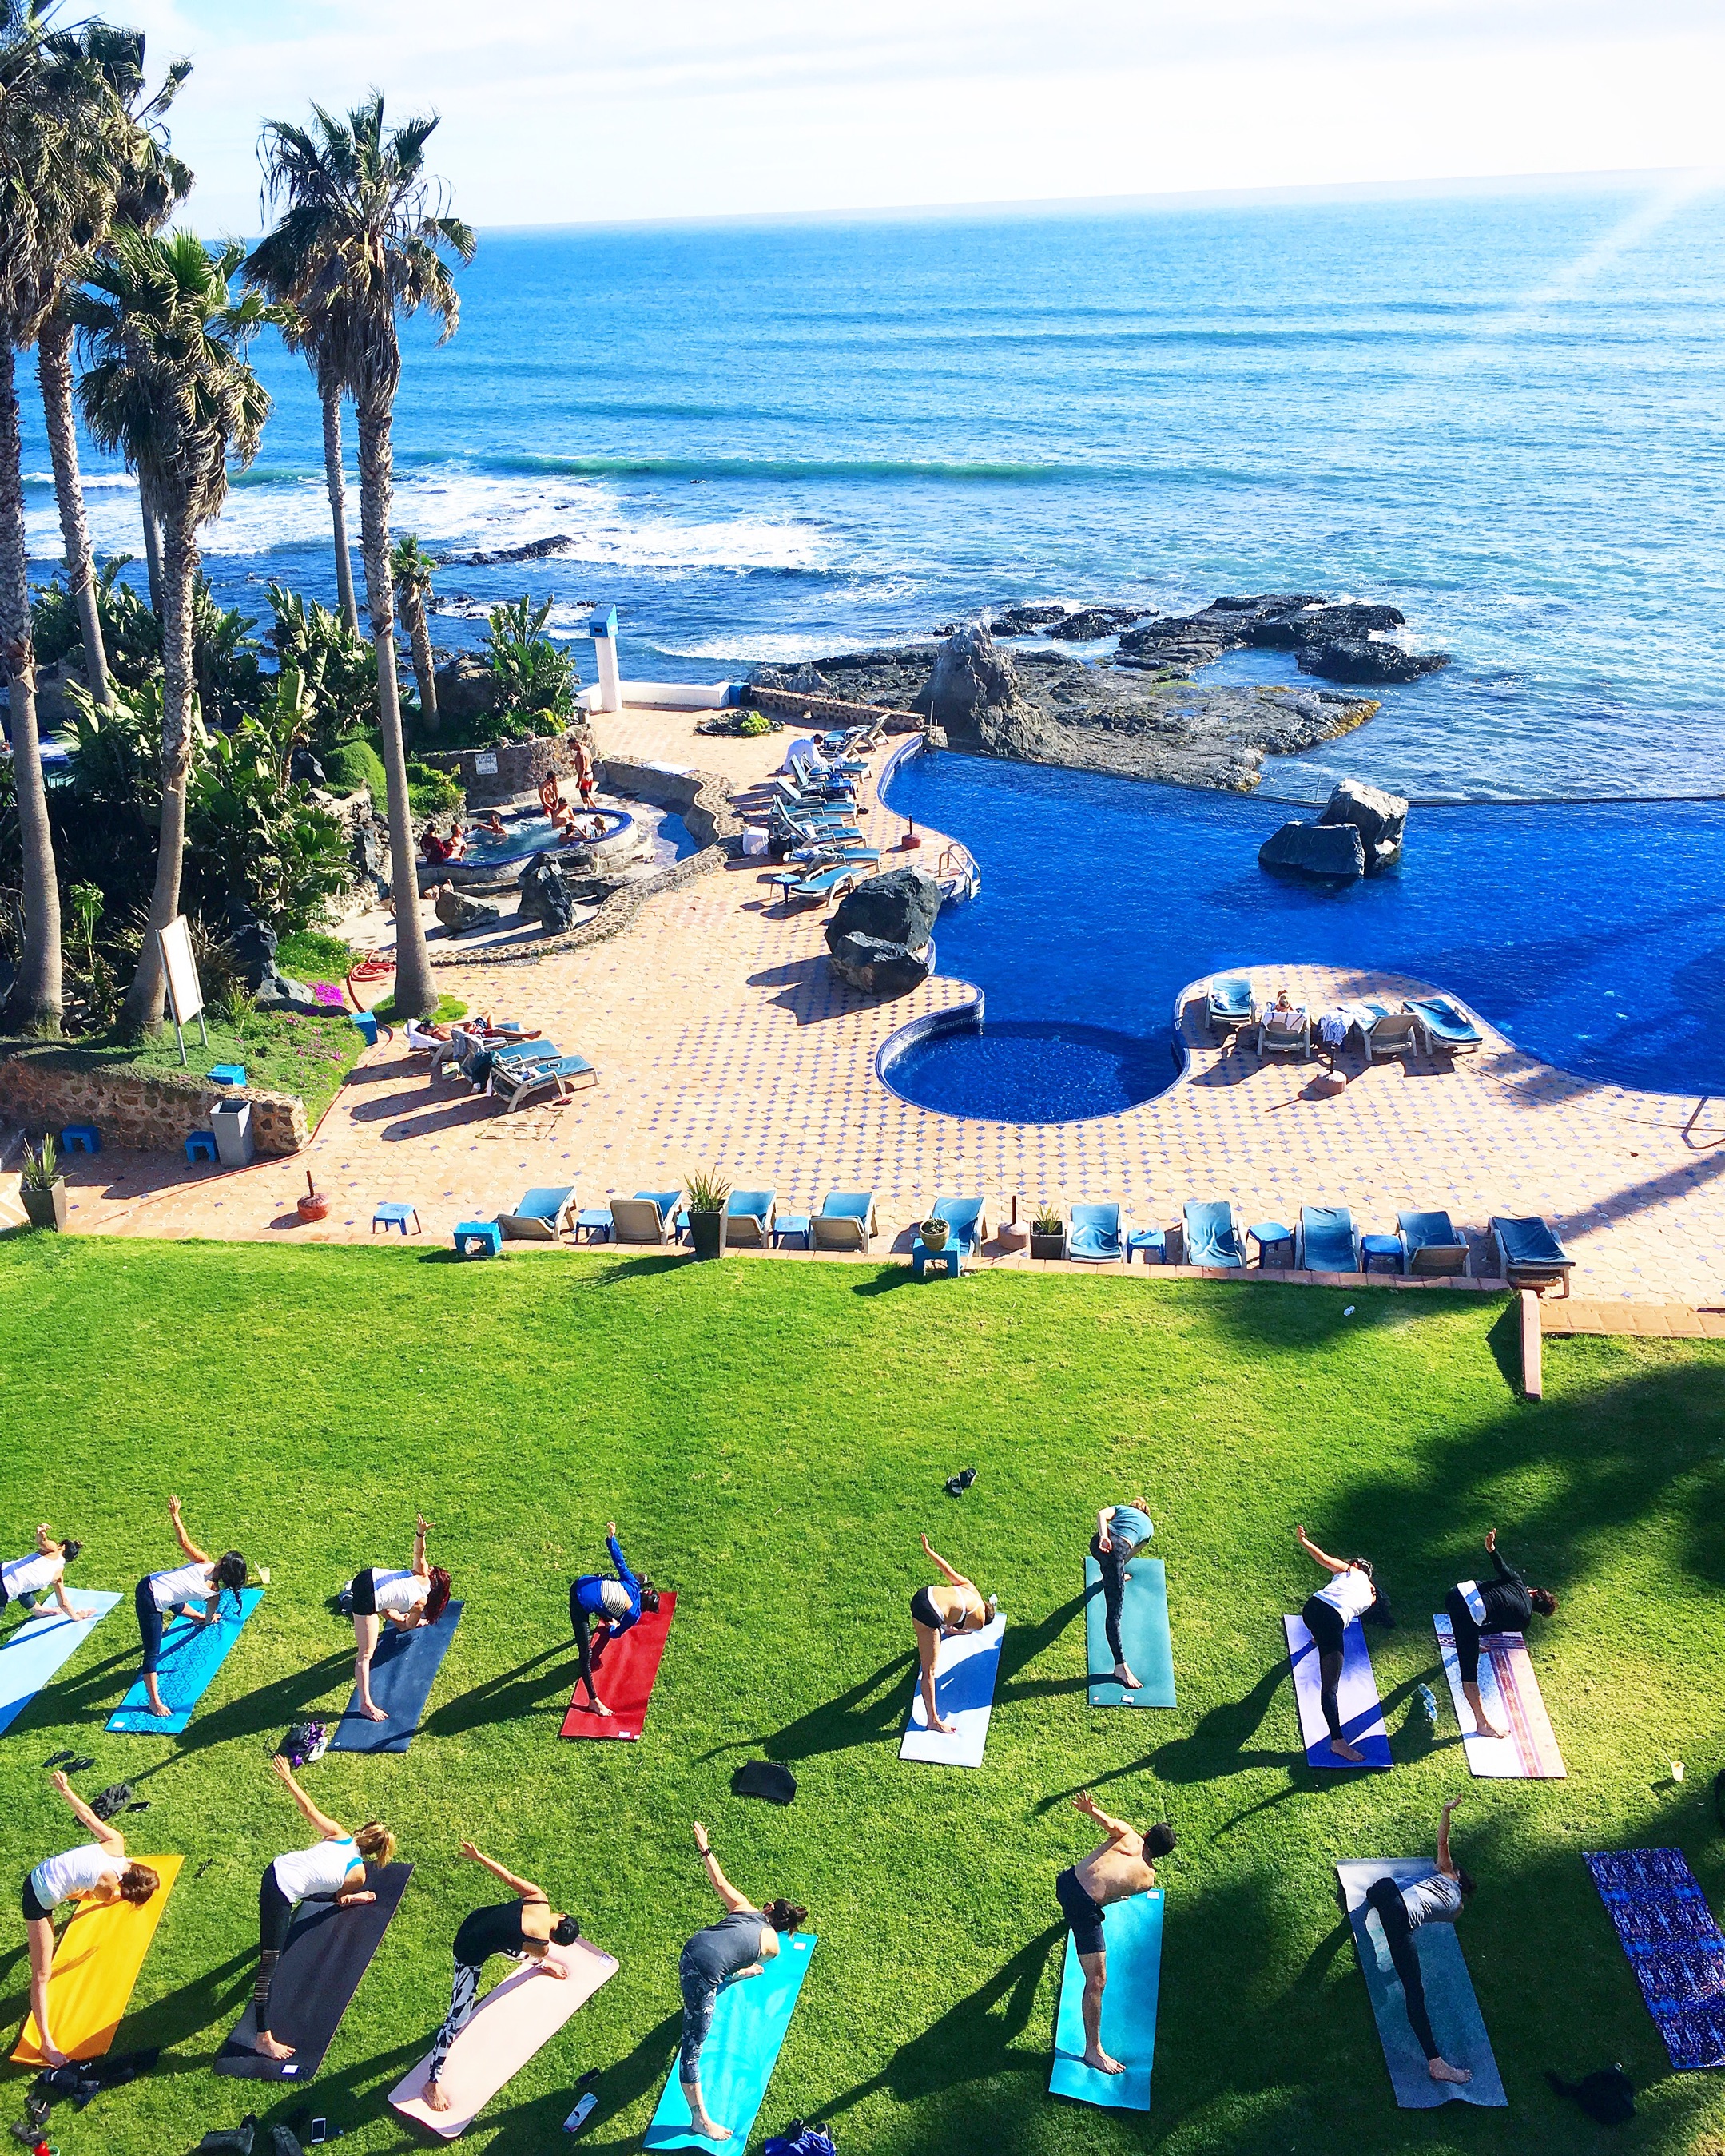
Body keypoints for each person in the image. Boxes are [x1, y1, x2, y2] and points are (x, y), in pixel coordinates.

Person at [252, 1756, 395, 2062]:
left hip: (275, 1868)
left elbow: (309, 1810)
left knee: (310, 1893)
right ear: (375, 1853)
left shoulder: (339, 1834)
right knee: (269, 1965)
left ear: (362, 1832)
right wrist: (351, 1897)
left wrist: (289, 1778)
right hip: (280, 1892)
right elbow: (334, 1896)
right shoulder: (359, 1874)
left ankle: (263, 2034)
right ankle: (263, 2038)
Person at [422, 1840, 581, 2113]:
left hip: (474, 1920)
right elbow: (528, 1952)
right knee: (457, 2018)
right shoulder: (541, 1944)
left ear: (561, 1915)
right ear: (554, 1941)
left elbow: (506, 1876)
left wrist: (478, 1856)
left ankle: (539, 1965)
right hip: (468, 1952)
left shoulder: (539, 1898)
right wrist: (543, 1961)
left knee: (515, 1949)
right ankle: (431, 2082)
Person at [680, 1823, 806, 2142]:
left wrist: (705, 1847)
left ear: (767, 1909)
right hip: (700, 1974)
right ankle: (701, 2121)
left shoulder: (744, 1907)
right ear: (784, 1928)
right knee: (692, 2052)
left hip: (692, 1947)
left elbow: (719, 1881)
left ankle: (728, 1979)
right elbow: (748, 1957)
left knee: (733, 1971)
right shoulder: (774, 1948)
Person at [23, 1770, 160, 2066]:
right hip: (37, 1897)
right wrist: (113, 1897)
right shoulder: (108, 1886)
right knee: (41, 1975)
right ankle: (46, 2044)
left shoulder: (116, 1843)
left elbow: (87, 1816)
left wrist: (66, 1790)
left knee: (78, 1892)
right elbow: (105, 1896)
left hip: (44, 1870)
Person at [1056, 1792, 1175, 2076]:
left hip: (1066, 1881)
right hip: (1081, 1907)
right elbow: (1110, 1895)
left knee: (1088, 1907)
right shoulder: (1147, 1879)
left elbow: (1105, 1820)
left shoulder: (1128, 1835)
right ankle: (1093, 2051)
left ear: (1146, 1834)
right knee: (1097, 1981)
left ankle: (1071, 1918)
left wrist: (1088, 1808)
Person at [1363, 1797, 1475, 2086]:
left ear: (1456, 1876)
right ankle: (1436, 2063)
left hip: (1383, 1889)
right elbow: (1443, 1846)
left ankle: (1378, 1952)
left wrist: (1446, 1811)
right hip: (1398, 1912)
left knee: (1393, 1918)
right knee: (1415, 1991)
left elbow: (1443, 1844)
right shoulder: (1456, 1902)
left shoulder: (1448, 1878)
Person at [133, 1496, 250, 1719]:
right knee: (152, 1653)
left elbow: (184, 1543)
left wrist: (176, 1515)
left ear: (221, 1563)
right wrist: (207, 1619)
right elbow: (209, 1616)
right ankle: (154, 1702)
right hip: (149, 1600)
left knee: (175, 1601)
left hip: (151, 1583)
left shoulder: (204, 1562)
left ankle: (192, 1616)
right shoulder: (213, 1595)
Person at [1444, 1528, 1558, 1741]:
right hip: (1464, 1612)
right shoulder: (1524, 1620)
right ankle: (1483, 1724)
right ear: (1537, 1610)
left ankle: (1467, 1639)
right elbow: (1489, 1627)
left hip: (1454, 1593)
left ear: (1532, 1592)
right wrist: (1470, 1637)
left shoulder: (1516, 1581)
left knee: (1469, 1631)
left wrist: (1491, 1548)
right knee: (1469, 1675)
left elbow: (1500, 1565)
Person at [1294, 1523, 1391, 1763]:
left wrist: (1304, 1541)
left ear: (1356, 1565)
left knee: (1325, 1631)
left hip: (1312, 1608)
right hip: (1330, 1619)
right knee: (1330, 1688)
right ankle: (1338, 1742)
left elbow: (1324, 1559)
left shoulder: (1349, 1570)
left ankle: (1317, 1636)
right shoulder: (1371, 1594)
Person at [349, 1514, 451, 1723]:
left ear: (432, 1578)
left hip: (367, 1576)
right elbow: (406, 1626)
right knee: (366, 1654)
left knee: (386, 1607)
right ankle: (365, 1705)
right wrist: (417, 1621)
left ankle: (365, 1703)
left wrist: (420, 1533)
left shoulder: (421, 1573)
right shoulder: (421, 1603)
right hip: (369, 1596)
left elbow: (419, 1551)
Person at [568, 1521, 661, 1718]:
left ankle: (604, 1603)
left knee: (610, 1579)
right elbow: (615, 1633)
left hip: (583, 1580)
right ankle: (594, 1701)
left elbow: (620, 1561)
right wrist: (610, 1628)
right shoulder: (633, 1616)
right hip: (579, 1601)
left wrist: (612, 1538)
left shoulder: (632, 1583)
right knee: (586, 1655)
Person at [910, 1533, 998, 1737]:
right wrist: (953, 1630)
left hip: (924, 1594)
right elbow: (967, 1625)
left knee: (940, 1627)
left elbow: (946, 1570)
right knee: (929, 1671)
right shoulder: (980, 1621)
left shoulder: (971, 1588)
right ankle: (933, 1720)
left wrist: (929, 1551)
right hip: (929, 1613)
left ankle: (941, 1629)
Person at [1091, 1500, 1154, 1693]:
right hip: (1116, 1552)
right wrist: (1117, 1569)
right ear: (1145, 1513)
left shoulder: (1121, 1509)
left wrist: (1103, 1537)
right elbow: (1129, 1552)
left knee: (1111, 1567)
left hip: (1097, 1543)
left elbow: (1101, 1514)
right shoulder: (1149, 1528)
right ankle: (1120, 1667)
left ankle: (1109, 1576)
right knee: (1114, 1616)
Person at [1, 1525, 93, 1626]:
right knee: (26, 1587)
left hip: (4, 1575)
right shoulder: (58, 1576)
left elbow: (42, 1541)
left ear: (62, 1546)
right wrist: (76, 1617)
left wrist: (41, 1532)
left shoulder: (53, 1550)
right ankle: (39, 1611)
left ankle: (39, 1611)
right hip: (5, 1592)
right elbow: (63, 1603)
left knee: (25, 1589)